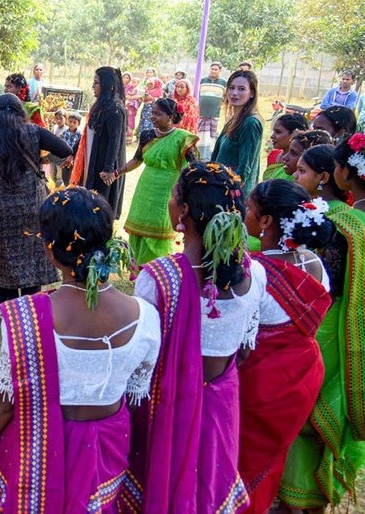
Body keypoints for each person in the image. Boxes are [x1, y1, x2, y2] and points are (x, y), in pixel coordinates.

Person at [0, 187, 160, 513]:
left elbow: (3, 403)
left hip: (33, 450)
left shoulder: (24, 317)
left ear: (50, 251)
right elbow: (134, 396)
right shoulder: (146, 318)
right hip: (105, 450)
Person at [126, 161, 264, 512]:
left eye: (174, 194)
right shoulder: (254, 273)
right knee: (209, 487)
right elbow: (244, 352)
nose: (171, 199)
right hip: (221, 400)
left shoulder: (158, 279)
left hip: (166, 409)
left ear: (183, 211)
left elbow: (139, 362)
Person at [278, 134, 365, 511]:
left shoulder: (333, 221)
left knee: (306, 414)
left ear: (341, 173)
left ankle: (296, 497)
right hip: (356, 330)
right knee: (335, 413)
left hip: (328, 325)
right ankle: (321, 495)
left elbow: (319, 281)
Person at [240, 180, 332, 512]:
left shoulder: (255, 272)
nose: (245, 213)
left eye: (251, 208)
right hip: (302, 378)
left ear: (265, 222)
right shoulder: (314, 264)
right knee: (271, 458)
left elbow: (242, 343)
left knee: (245, 458)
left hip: (261, 383)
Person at [0, 93, 72, 305]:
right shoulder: (35, 133)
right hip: (31, 208)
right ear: (20, 113)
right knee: (30, 259)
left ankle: (7, 310)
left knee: (1, 261)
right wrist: (43, 158)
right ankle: (29, 309)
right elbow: (65, 150)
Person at [105, 97, 198, 265]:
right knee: (138, 229)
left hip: (168, 188)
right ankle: (139, 267)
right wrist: (117, 172)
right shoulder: (147, 135)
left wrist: (184, 189)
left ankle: (157, 268)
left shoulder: (183, 139)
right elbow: (137, 160)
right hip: (145, 187)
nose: (152, 117)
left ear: (170, 116)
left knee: (160, 230)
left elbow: (195, 166)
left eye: (158, 114)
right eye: (152, 113)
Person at [70, 66, 128, 217]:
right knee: (88, 200)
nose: (92, 86)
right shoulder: (99, 106)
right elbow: (86, 134)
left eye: (96, 83)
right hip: (90, 160)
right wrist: (72, 153)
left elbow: (114, 140)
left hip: (103, 164)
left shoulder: (115, 109)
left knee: (100, 205)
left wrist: (108, 169)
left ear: (107, 84)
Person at [212, 70, 263, 197]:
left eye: (241, 89)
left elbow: (244, 169)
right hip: (220, 187)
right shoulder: (233, 119)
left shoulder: (251, 123)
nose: (235, 93)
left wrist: (232, 193)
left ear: (251, 93)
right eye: (232, 88)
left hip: (234, 194)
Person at [293, 144, 349, 213]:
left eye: (302, 171)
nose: (294, 175)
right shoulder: (305, 205)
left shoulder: (340, 214)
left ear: (323, 178)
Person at [262, 114, 309, 182]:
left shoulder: (299, 162)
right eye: (273, 131)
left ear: (294, 134)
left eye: (278, 132)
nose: (272, 136)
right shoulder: (273, 155)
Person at [198, 62, 228, 159]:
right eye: (212, 69)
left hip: (215, 114)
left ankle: (209, 156)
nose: (213, 71)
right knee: (201, 134)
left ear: (220, 71)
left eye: (216, 69)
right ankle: (200, 154)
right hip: (201, 113)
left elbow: (226, 96)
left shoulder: (223, 82)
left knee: (212, 136)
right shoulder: (202, 80)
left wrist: (221, 104)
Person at [136, 68, 164, 138]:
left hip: (154, 109)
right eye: (148, 84)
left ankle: (150, 136)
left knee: (151, 122)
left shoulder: (159, 90)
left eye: (151, 84)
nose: (149, 86)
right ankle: (142, 135)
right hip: (146, 109)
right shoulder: (147, 89)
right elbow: (143, 98)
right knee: (143, 121)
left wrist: (153, 98)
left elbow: (160, 100)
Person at [58, 112, 83, 186]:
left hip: (74, 161)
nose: (71, 124)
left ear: (78, 124)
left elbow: (79, 149)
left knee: (72, 178)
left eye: (74, 122)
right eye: (70, 122)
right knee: (64, 177)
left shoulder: (80, 135)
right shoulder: (64, 133)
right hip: (65, 159)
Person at [124, 72, 142, 140]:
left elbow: (138, 97)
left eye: (127, 78)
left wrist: (129, 96)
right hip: (124, 105)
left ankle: (129, 137)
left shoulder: (133, 87)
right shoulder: (119, 85)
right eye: (124, 77)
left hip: (131, 106)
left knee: (130, 120)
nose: (125, 79)